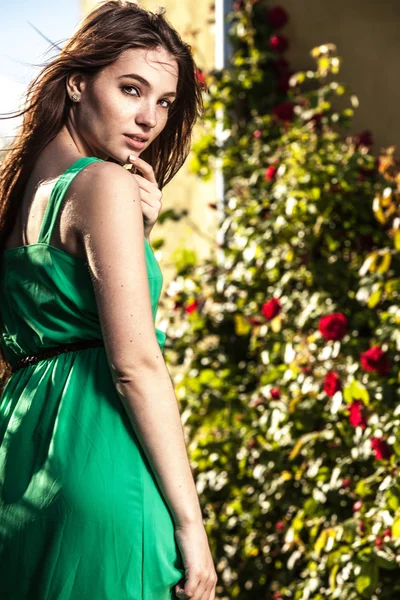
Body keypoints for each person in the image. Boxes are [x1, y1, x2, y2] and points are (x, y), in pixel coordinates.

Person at [0, 2, 217, 599]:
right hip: (103, 457)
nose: (150, 118)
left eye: (166, 101)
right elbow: (134, 364)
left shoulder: (25, 194)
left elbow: (64, 315)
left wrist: (134, 237)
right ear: (77, 83)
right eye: (131, 88)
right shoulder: (105, 184)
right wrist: (192, 526)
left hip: (23, 456)